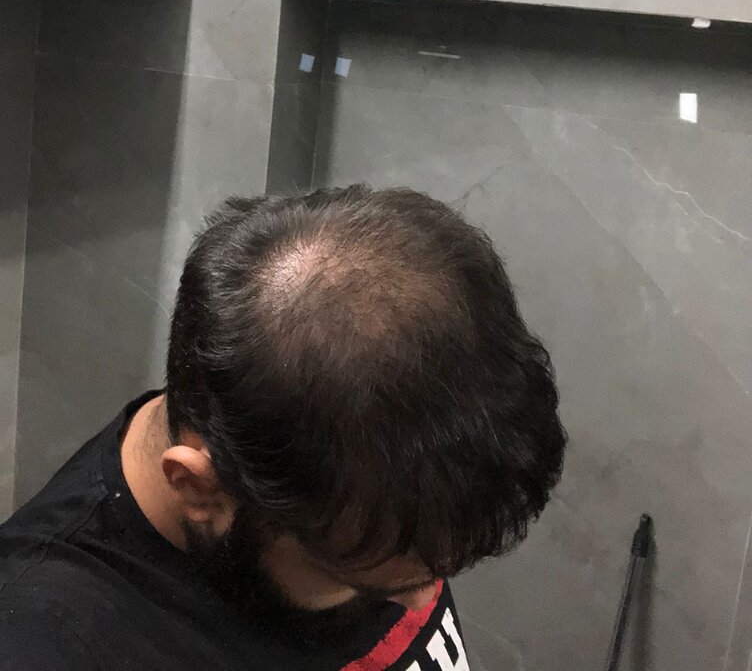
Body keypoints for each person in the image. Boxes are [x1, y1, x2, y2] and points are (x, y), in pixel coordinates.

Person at [0, 185, 566, 670]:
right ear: (197, 487)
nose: (423, 604)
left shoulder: (371, 462)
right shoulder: (51, 641)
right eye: (361, 579)